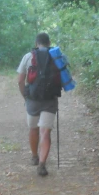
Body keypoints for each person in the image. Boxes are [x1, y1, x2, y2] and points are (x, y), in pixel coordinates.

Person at [17, 32, 61, 177]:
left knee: (33, 129)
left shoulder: (28, 57)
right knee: (45, 132)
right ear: (49, 43)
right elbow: (65, 77)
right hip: (50, 99)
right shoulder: (56, 56)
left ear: (36, 43)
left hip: (33, 99)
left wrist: (25, 96)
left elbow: (20, 80)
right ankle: (42, 164)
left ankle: (35, 156)